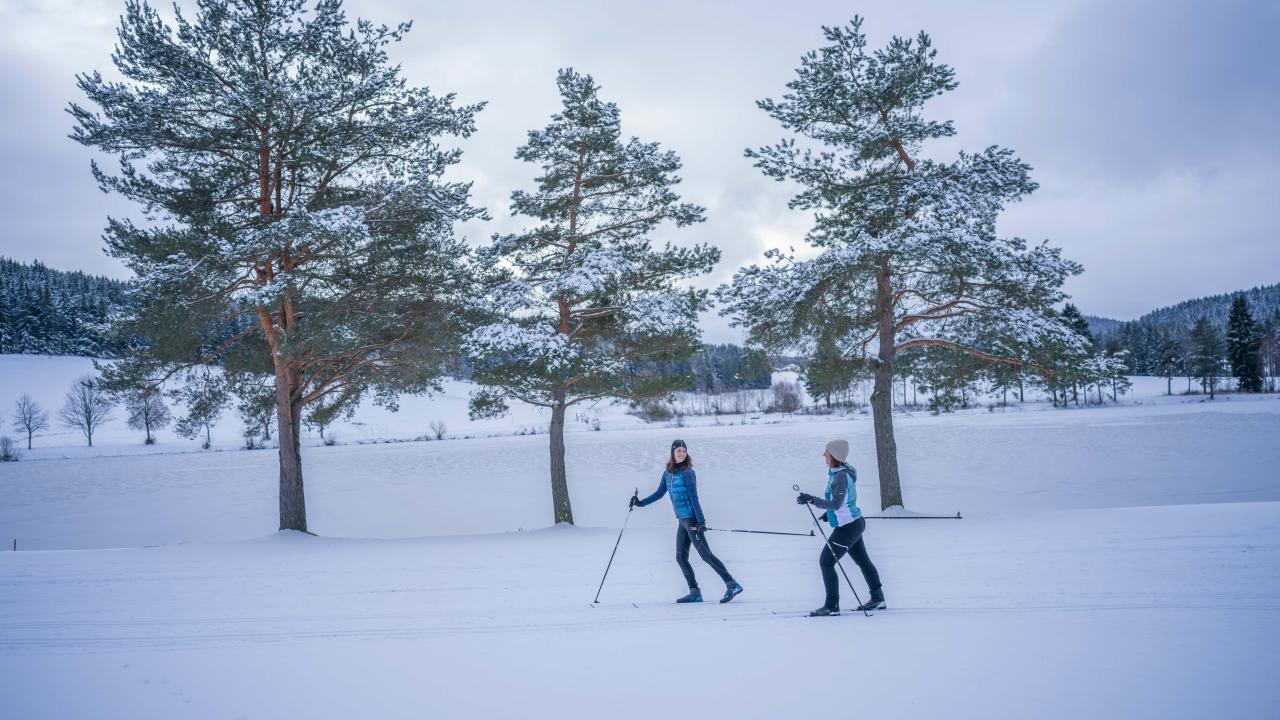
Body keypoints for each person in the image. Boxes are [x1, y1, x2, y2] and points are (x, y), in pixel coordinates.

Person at [631, 439, 744, 604]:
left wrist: (701, 521)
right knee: (680, 558)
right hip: (681, 521)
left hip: (691, 520)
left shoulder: (688, 473)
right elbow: (659, 493)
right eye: (678, 451)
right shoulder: (667, 473)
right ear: (673, 453)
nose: (682, 454)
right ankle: (694, 592)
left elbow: (694, 497)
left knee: (706, 555)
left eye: (684, 451)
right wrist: (640, 503)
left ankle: (731, 584)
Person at [795, 439, 885, 616]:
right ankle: (878, 598)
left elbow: (836, 503)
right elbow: (841, 504)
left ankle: (831, 606)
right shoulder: (839, 472)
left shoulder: (841, 476)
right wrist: (828, 515)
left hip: (848, 527)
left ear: (834, 455)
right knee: (863, 562)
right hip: (853, 523)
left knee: (826, 562)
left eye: (826, 452)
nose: (824, 455)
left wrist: (812, 499)